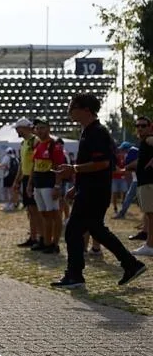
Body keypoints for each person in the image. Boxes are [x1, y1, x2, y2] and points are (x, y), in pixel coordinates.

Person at [50, 93, 146, 288]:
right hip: (90, 189)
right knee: (96, 230)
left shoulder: (97, 132)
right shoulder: (88, 131)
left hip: (95, 192)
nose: (70, 111)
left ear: (86, 109)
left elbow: (102, 163)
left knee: (73, 231)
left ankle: (75, 274)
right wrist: (76, 186)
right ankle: (131, 264)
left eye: (73, 107)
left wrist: (74, 170)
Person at [27, 118, 66, 254]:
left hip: (49, 184)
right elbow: (34, 166)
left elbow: (59, 167)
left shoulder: (54, 145)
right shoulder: (38, 145)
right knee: (44, 214)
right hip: (38, 184)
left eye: (42, 128)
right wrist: (30, 184)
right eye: (37, 128)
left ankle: (54, 244)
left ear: (48, 128)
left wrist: (57, 186)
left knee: (54, 214)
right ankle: (46, 241)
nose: (39, 131)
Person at [13, 118, 42, 247]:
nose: (16, 131)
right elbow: (22, 164)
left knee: (36, 210)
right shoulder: (23, 143)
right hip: (26, 177)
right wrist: (17, 181)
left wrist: (30, 180)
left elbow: (35, 162)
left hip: (34, 177)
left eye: (17, 128)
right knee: (30, 210)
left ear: (24, 128)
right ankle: (33, 237)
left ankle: (41, 237)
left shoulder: (34, 141)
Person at [131, 115, 153, 256]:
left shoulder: (149, 139)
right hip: (145, 182)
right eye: (137, 125)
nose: (140, 128)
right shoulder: (144, 141)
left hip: (148, 183)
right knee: (150, 215)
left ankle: (150, 245)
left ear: (150, 127)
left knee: (151, 215)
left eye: (143, 125)